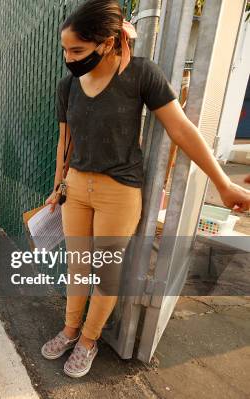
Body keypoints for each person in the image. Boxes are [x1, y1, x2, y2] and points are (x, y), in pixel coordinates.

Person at [41, 0, 250, 378]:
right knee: (77, 268)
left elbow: (182, 129)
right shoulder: (67, 86)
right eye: (65, 51)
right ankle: (70, 330)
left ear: (105, 43)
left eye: (77, 50)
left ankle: (89, 340)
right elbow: (64, 142)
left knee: (104, 273)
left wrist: (223, 182)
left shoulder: (140, 75)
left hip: (118, 192)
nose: (69, 59)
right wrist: (58, 186)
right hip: (76, 189)